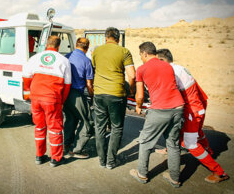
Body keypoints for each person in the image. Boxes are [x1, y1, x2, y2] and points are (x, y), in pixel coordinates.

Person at [156, 49, 229, 183]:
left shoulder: (170, 72)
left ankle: (219, 172)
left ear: (162, 61)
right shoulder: (180, 68)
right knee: (197, 132)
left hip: (192, 110)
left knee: (189, 143)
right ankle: (208, 153)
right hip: (200, 105)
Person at [130, 42, 185, 188]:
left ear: (145, 53)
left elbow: (140, 95)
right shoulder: (168, 66)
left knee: (145, 142)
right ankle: (174, 178)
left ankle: (141, 174)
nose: (140, 57)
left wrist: (138, 106)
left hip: (160, 109)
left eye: (140, 55)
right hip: (178, 107)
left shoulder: (141, 69)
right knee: (173, 144)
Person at [22, 35, 71, 167]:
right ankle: (56, 158)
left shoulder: (35, 58)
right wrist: (61, 102)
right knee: (55, 129)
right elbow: (67, 85)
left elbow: (26, 77)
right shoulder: (64, 61)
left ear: (46, 45)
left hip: (36, 98)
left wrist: (29, 92)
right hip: (52, 99)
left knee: (39, 127)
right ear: (58, 46)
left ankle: (39, 156)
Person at [92, 27, 136, 169]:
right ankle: (111, 161)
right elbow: (132, 75)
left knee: (100, 127)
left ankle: (101, 159)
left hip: (99, 93)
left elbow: (95, 67)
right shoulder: (124, 51)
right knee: (116, 127)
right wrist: (131, 89)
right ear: (118, 39)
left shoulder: (96, 51)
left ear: (106, 38)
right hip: (117, 94)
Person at [63, 37, 94, 159]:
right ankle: (76, 149)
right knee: (88, 122)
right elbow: (89, 84)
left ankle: (66, 144)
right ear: (86, 48)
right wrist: (92, 97)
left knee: (71, 119)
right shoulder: (86, 61)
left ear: (76, 45)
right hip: (76, 94)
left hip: (65, 93)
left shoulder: (66, 57)